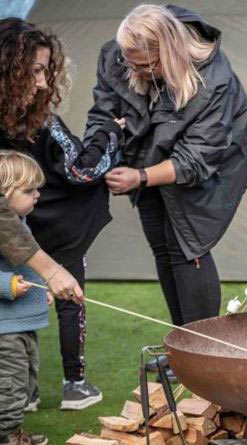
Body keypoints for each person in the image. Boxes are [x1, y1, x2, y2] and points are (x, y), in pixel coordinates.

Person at [86, 5, 247, 369]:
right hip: (147, 154)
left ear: (168, 52)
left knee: (187, 246)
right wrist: (98, 149)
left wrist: (140, 177)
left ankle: (205, 356)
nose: (132, 71)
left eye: (143, 66)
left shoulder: (214, 82)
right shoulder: (118, 55)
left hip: (212, 167)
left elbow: (196, 159)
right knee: (162, 247)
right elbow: (103, 112)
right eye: (128, 63)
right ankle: (182, 352)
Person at [0, 18, 126, 411]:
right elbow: (82, 171)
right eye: (34, 71)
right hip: (56, 229)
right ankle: (73, 385)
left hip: (20, 232)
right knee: (64, 299)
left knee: (19, 301)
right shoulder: (43, 124)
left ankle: (27, 393)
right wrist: (109, 131)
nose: (42, 83)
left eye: (45, 71)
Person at [0, 151, 52, 445]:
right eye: (29, 190)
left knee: (24, 382)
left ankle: (13, 430)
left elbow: (27, 267)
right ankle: (6, 435)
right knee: (9, 386)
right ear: (5, 194)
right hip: (5, 330)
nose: (37, 195)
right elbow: (9, 276)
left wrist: (40, 290)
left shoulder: (21, 223)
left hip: (23, 325)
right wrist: (8, 285)